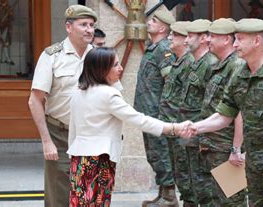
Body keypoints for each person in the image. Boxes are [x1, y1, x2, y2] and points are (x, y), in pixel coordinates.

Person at [67, 47, 192, 206]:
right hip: (99, 159)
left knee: (79, 202)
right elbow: (139, 120)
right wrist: (174, 128)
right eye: (115, 65)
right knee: (98, 203)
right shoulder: (108, 94)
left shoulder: (78, 92)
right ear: (102, 69)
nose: (120, 68)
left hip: (79, 157)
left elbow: (74, 129)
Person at [181, 18, 263, 206]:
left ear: (256, 41)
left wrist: (236, 148)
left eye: (240, 39)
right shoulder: (239, 73)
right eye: (234, 39)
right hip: (251, 160)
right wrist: (194, 127)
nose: (235, 44)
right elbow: (224, 114)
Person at [28, 5, 97, 207]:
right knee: (59, 195)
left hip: (90, 133)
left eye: (92, 25)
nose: (89, 30)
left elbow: (113, 98)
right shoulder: (51, 56)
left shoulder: (100, 57)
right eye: (83, 24)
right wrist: (46, 141)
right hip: (60, 134)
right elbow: (35, 100)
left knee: (90, 194)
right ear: (68, 27)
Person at [196, 18, 246, 206]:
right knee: (216, 200)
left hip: (226, 147)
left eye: (213, 36)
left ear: (227, 40)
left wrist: (236, 148)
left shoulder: (237, 66)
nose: (208, 40)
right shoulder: (220, 65)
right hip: (215, 145)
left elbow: (239, 110)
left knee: (231, 200)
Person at [133, 9, 178, 207]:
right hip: (148, 113)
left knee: (161, 153)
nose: (148, 23)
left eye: (153, 20)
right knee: (154, 154)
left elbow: (170, 82)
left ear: (162, 27)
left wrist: (164, 112)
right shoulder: (153, 47)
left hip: (158, 114)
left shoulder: (164, 49)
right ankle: (163, 193)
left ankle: (169, 197)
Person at [158, 21, 197, 206]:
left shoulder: (190, 63)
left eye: (175, 34)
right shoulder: (177, 62)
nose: (169, 37)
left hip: (183, 128)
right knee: (180, 174)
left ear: (185, 40)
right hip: (174, 128)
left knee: (188, 176)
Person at [180, 19, 219, 206]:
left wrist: (204, 138)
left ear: (203, 38)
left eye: (190, 36)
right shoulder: (194, 63)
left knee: (207, 188)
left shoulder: (210, 64)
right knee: (195, 185)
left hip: (205, 135)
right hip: (192, 132)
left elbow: (213, 106)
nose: (185, 40)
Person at [0, 0, 15, 65]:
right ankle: (7, 59)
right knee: (5, 43)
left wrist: (10, 14)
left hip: (8, 27)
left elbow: (12, 18)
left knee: (5, 43)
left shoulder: (9, 8)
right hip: (1, 27)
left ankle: (3, 59)